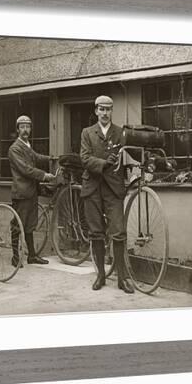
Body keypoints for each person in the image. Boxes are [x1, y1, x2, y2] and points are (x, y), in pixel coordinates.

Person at [80, 95, 135, 293]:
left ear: (112, 111)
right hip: (93, 188)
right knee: (96, 232)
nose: (104, 113)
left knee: (119, 232)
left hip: (113, 189)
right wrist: (104, 163)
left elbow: (129, 157)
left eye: (108, 109)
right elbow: (85, 159)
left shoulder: (120, 133)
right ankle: (101, 276)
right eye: (101, 109)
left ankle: (122, 278)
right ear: (96, 111)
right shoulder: (87, 133)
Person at [8, 115, 55, 267]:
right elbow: (25, 169)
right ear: (17, 129)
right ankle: (15, 257)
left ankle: (32, 256)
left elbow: (36, 157)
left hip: (31, 191)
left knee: (29, 225)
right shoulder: (15, 148)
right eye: (22, 127)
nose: (25, 130)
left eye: (28, 127)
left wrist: (52, 158)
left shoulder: (27, 145)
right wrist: (44, 175)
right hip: (21, 193)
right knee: (18, 225)